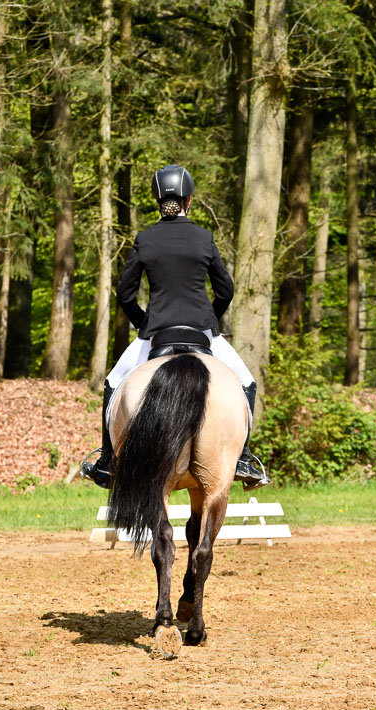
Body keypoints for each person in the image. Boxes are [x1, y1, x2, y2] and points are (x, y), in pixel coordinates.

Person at [80, 164, 269, 491]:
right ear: (189, 200)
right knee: (246, 382)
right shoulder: (204, 237)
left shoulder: (145, 239)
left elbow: (125, 293)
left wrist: (146, 324)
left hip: (158, 335)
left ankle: (108, 462)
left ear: (158, 201)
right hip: (202, 333)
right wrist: (209, 320)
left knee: (113, 384)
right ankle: (244, 458)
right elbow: (225, 289)